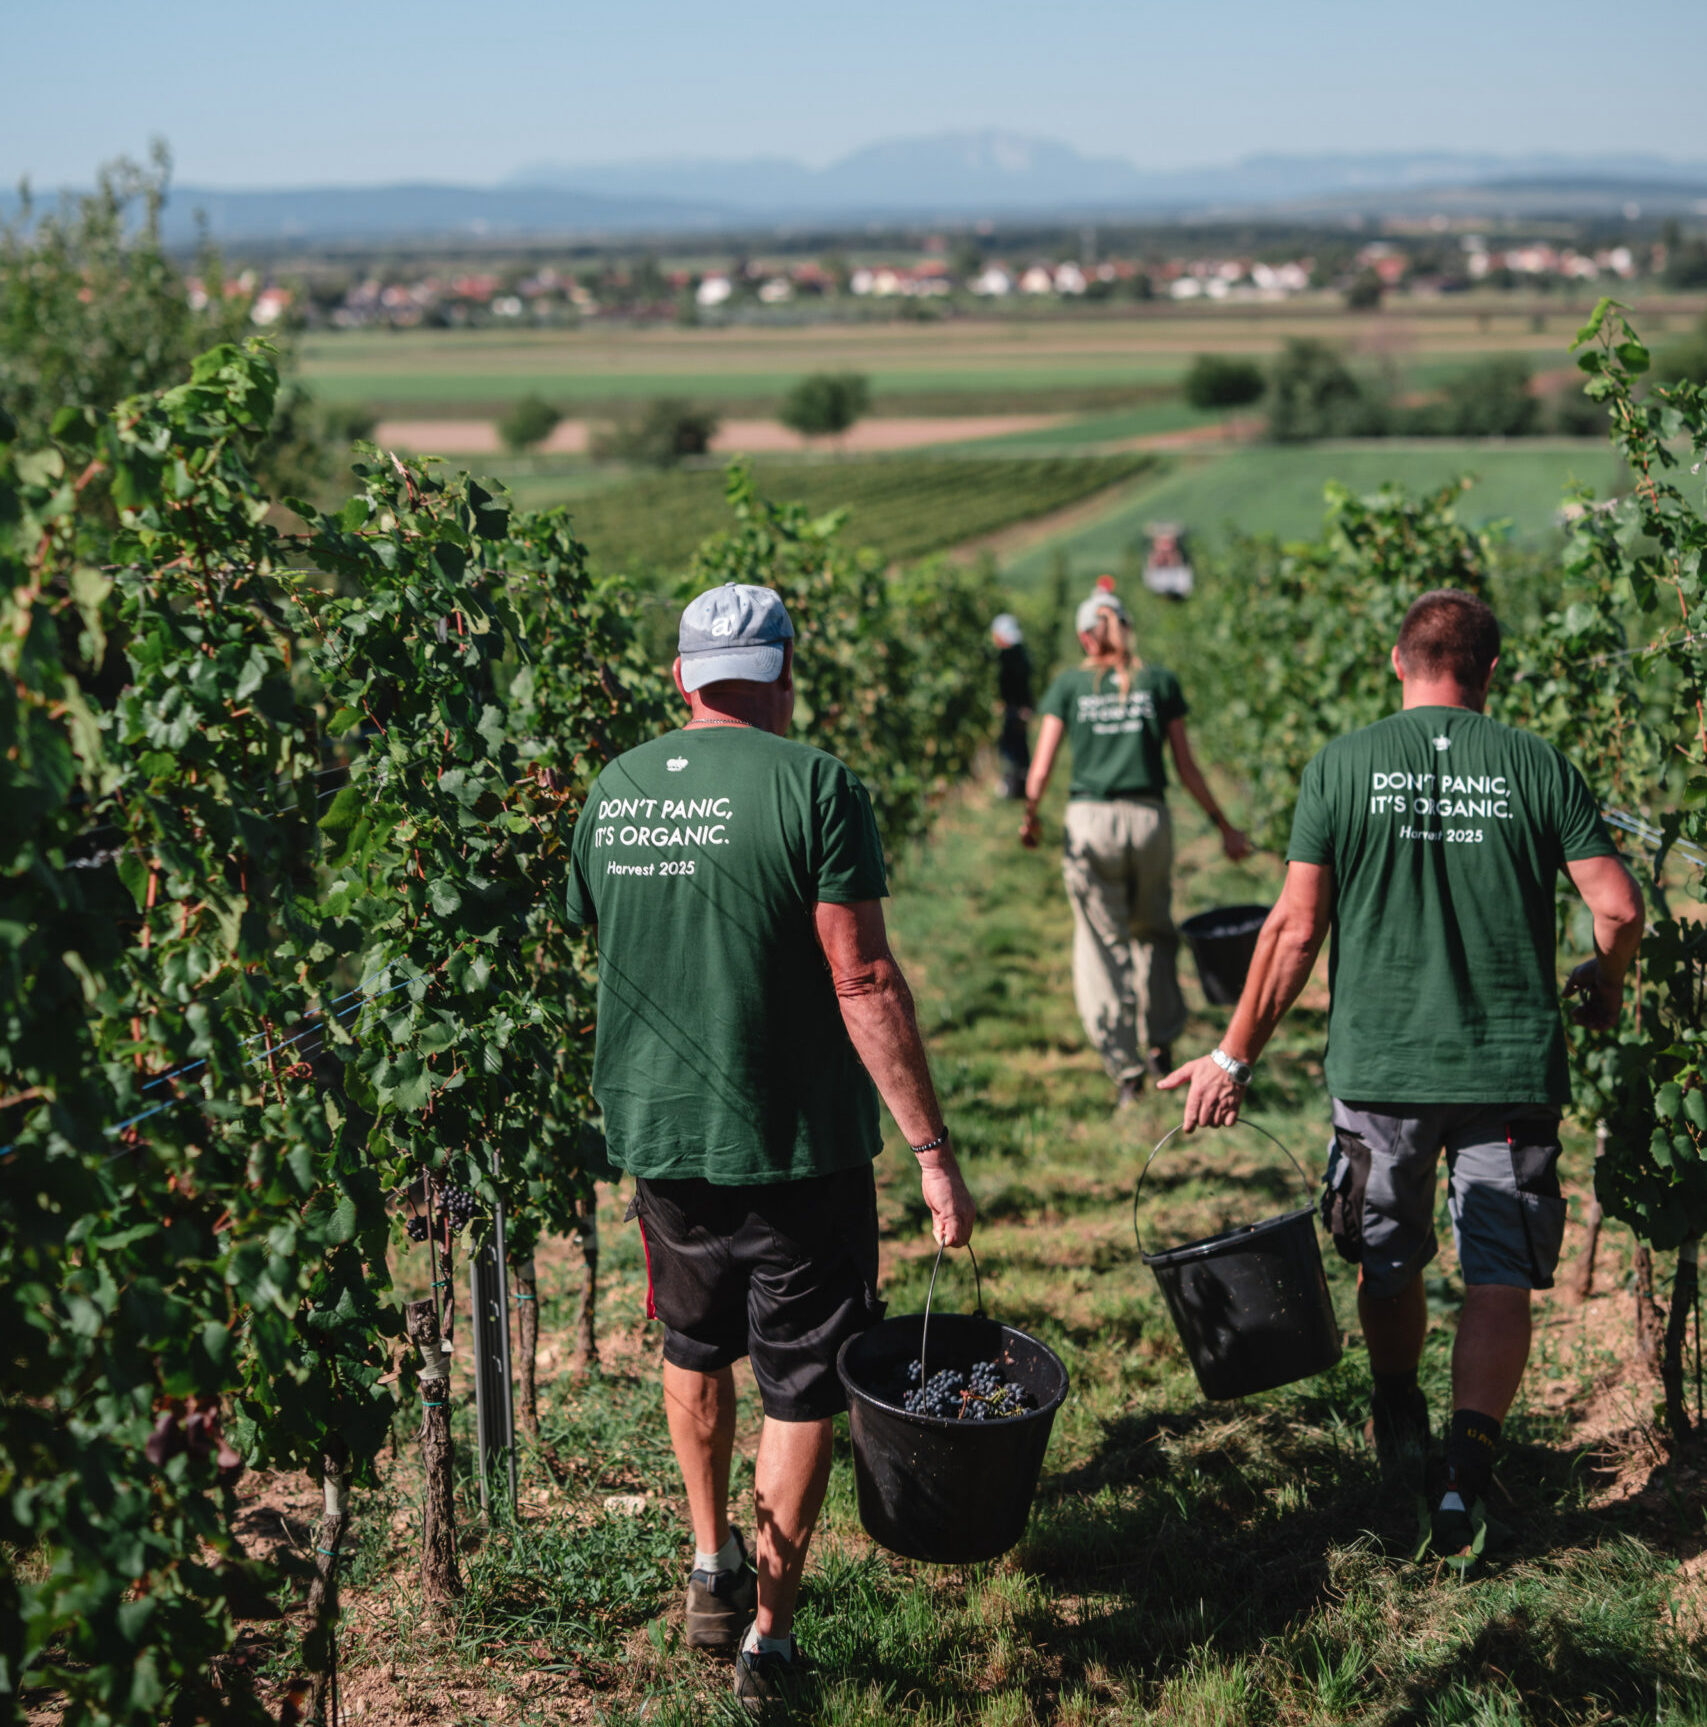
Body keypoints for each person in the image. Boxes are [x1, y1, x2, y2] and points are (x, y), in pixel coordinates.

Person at [1160, 588, 1643, 1555]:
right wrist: (1602, 973)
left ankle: (1397, 1410)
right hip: (1508, 1067)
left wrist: (1231, 1053)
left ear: (1395, 661)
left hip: (1380, 1071)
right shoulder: (1534, 762)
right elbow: (1619, 907)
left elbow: (1294, 930)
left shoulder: (1341, 766)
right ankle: (1468, 1473)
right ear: (1490, 671)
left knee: (1387, 1255)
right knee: (1499, 1273)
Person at [564, 581, 975, 1709]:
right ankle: (771, 1635)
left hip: (661, 1136)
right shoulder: (817, 785)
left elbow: (595, 927)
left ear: (682, 676)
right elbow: (864, 975)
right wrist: (931, 1146)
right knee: (800, 1381)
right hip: (796, 1143)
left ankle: (709, 1558)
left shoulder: (617, 787)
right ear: (783, 670)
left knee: (693, 1347)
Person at [1022, 589, 1251, 1108]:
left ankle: (1125, 1069)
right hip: (1149, 820)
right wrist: (1223, 825)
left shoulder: (1069, 685)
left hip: (1090, 822)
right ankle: (1160, 1044)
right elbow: (1186, 767)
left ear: (1084, 636)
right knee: (1154, 932)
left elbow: (1042, 764)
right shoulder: (1159, 681)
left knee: (1102, 944)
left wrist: (1030, 815)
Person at [991, 613, 1033, 800]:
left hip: (1014, 709)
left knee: (1012, 748)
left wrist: (1014, 706)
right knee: (1019, 747)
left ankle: (1014, 786)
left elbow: (1016, 685)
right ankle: (1022, 785)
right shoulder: (1020, 653)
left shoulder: (1009, 657)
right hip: (1019, 708)